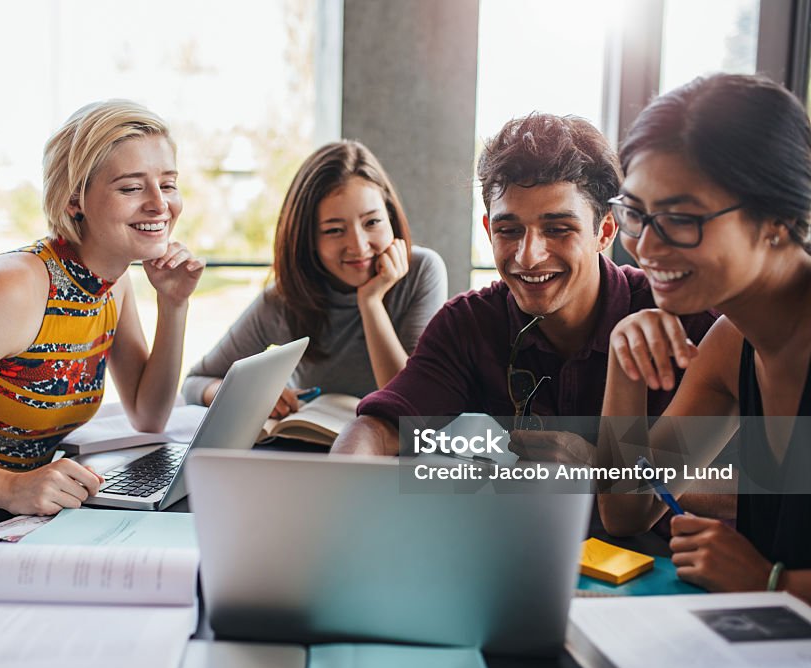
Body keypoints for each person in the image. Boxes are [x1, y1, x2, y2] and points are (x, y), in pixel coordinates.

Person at [0, 100, 204, 537]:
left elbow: (149, 415)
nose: (158, 204)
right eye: (131, 188)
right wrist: (12, 487)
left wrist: (174, 304)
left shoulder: (112, 281)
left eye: (168, 184)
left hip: (11, 517)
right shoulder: (13, 287)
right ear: (75, 200)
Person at [332, 113, 718, 456]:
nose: (528, 256)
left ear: (605, 231)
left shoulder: (689, 320)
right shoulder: (468, 323)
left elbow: (749, 488)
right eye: (509, 230)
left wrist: (599, 469)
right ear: (488, 230)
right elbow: (378, 430)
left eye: (558, 229)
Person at [596, 74, 811, 602]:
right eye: (636, 214)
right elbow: (626, 510)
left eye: (678, 218)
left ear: (778, 219)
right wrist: (624, 364)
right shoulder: (731, 344)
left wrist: (771, 583)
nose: (644, 246)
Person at [182, 140, 447, 418]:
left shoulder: (422, 271)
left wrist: (370, 302)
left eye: (372, 222)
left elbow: (407, 401)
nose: (358, 246)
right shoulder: (284, 299)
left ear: (390, 217)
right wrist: (249, 396)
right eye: (334, 230)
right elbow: (195, 383)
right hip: (308, 450)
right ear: (308, 239)